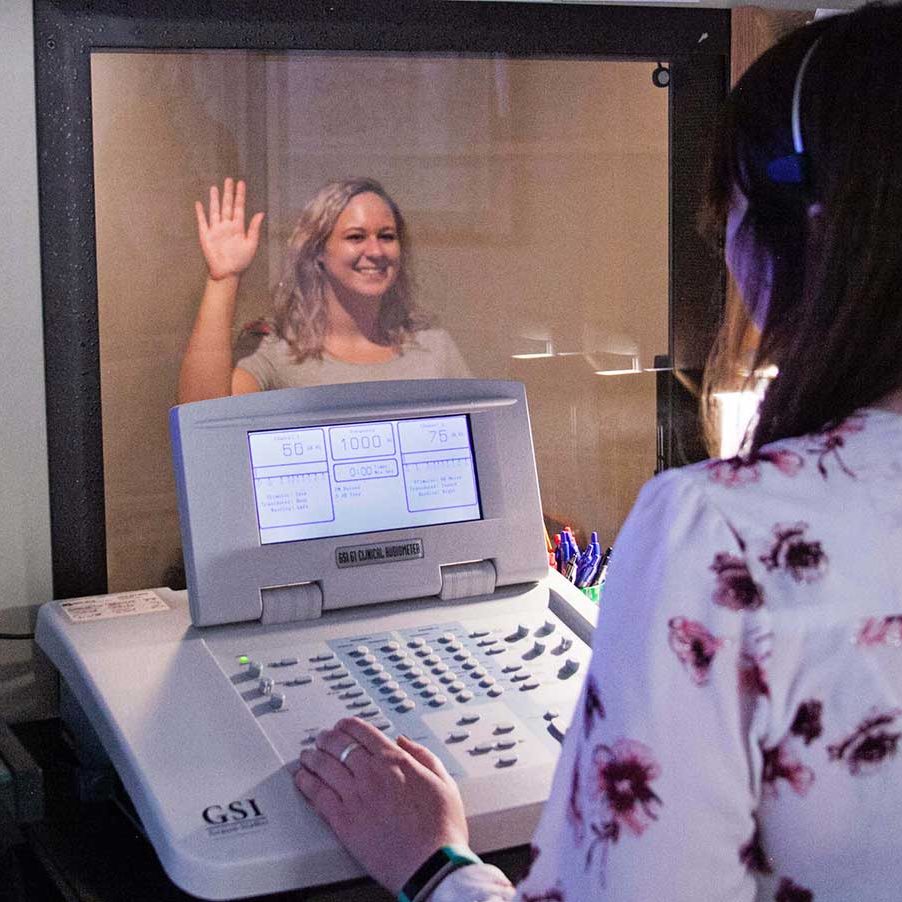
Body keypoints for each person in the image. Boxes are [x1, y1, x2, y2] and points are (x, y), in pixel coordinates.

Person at [294, 6, 902, 901]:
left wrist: (434, 866)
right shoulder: (283, 350)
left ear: (797, 232)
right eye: (354, 237)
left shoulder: (721, 531)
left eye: (727, 221)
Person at [178, 177, 469, 403]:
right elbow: (202, 418)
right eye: (356, 237)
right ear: (318, 250)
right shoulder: (278, 352)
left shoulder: (434, 348)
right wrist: (223, 279)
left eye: (387, 236)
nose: (376, 250)